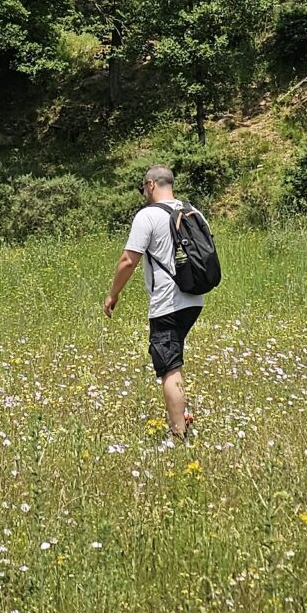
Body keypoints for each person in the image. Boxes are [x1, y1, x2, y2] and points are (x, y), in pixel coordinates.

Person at [104, 165, 203, 442]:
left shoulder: (147, 216)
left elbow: (128, 260)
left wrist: (113, 294)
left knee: (169, 368)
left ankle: (179, 436)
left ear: (150, 185)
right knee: (175, 361)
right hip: (194, 298)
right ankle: (182, 414)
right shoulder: (192, 211)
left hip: (167, 302)